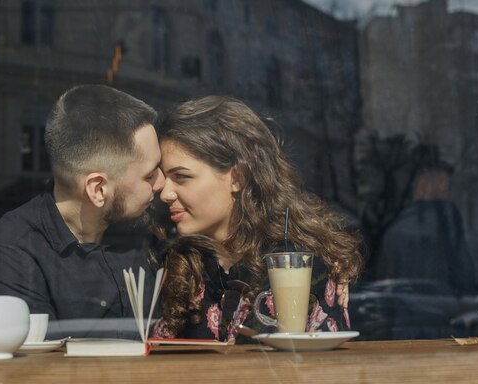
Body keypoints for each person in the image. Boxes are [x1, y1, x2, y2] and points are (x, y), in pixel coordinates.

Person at [150, 96, 363, 342]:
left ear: (237, 178)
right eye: (163, 178)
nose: (165, 194)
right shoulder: (182, 264)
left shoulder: (296, 265)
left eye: (181, 177)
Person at [0, 84, 165, 337]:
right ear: (98, 189)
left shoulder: (147, 230)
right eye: (149, 175)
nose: (162, 184)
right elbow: (36, 370)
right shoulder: (12, 253)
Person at [376, 163, 478, 295]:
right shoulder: (446, 217)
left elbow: (385, 281)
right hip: (441, 305)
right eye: (443, 186)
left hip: (406, 306)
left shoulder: (394, 226)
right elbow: (464, 273)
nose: (445, 190)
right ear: (423, 185)